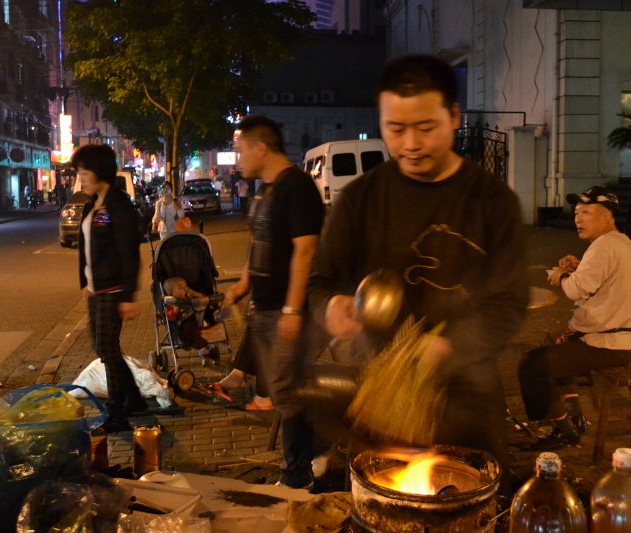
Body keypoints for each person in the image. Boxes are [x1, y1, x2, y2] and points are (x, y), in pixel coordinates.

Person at [307, 54, 528, 491]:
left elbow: (509, 303)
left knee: (472, 508)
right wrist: (330, 306)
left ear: (454, 116)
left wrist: (449, 345)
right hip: (381, 403)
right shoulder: (360, 200)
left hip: (467, 403)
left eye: (425, 128)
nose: (410, 144)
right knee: (380, 508)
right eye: (395, 129)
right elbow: (320, 283)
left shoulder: (493, 201)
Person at [223, 114, 325, 489]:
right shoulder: (266, 190)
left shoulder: (297, 187)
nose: (239, 159)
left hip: (286, 308)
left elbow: (305, 250)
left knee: (288, 392)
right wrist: (244, 283)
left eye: (241, 151)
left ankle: (298, 475)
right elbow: (259, 241)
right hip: (265, 309)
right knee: (285, 391)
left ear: (261, 148)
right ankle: (314, 454)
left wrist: (293, 309)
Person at [519, 186, 631, 450]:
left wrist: (561, 276)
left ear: (607, 216)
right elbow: (600, 280)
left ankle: (564, 430)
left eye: (586, 212)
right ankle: (574, 415)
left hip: (608, 344)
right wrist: (577, 270)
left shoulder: (604, 246)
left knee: (531, 365)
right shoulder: (617, 242)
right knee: (553, 343)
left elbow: (575, 290)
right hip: (617, 338)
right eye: (576, 213)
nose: (578, 218)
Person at [73, 144, 146, 434]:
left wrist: (128, 296)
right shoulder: (94, 203)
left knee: (106, 348)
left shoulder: (119, 205)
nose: (81, 179)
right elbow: (88, 246)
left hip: (113, 290)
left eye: (84, 173)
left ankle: (117, 414)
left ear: (99, 171)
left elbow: (130, 253)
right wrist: (86, 282)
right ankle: (134, 399)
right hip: (97, 289)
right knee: (105, 347)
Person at [163, 277, 215, 360]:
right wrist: (178, 306)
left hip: (195, 320)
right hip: (181, 328)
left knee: (205, 315)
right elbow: (172, 317)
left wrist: (196, 294)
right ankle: (201, 347)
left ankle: (216, 315)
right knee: (188, 328)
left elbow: (203, 300)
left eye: (186, 286)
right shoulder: (171, 303)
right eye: (180, 288)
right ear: (171, 293)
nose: (185, 289)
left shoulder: (189, 298)